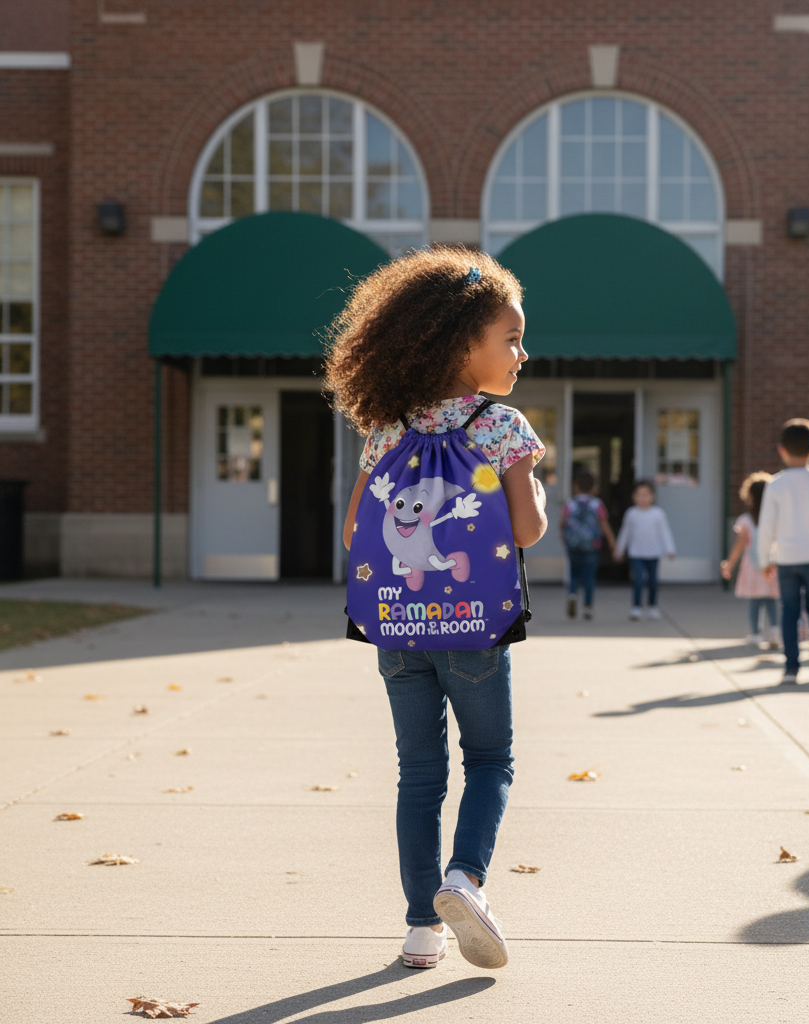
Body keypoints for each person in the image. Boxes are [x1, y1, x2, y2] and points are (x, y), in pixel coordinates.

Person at [328, 248, 547, 971]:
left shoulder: (387, 430)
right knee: (491, 759)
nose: (522, 352)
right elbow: (524, 531)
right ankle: (467, 879)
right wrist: (537, 494)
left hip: (398, 626)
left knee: (417, 772)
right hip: (476, 628)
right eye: (510, 338)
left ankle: (423, 928)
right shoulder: (502, 427)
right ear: (463, 345)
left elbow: (356, 528)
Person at [757, 419, 809, 685]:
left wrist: (764, 559)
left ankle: (791, 667)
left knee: (789, 612)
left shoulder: (775, 484)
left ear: (781, 450)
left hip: (787, 557)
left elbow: (766, 526)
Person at [720, 472, 780, 648]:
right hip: (771, 564)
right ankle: (775, 630)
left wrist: (729, 564)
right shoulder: (775, 519)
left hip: (753, 566)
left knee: (755, 601)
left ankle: (756, 633)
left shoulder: (746, 521)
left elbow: (738, 546)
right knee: (771, 600)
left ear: (751, 497)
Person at [614, 479, 677, 620]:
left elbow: (665, 532)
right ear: (634, 497)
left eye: (646, 494)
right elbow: (625, 533)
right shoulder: (631, 514)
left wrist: (670, 549)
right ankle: (636, 607)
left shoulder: (658, 513)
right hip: (636, 553)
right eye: (639, 495)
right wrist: (619, 549)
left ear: (652, 496)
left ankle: (652, 606)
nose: (643, 498)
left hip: (653, 553)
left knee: (653, 581)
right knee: (638, 580)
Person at [560, 469, 616, 620]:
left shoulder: (570, 503)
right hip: (592, 544)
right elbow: (604, 524)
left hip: (573, 543)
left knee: (574, 573)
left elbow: (562, 522)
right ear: (594, 487)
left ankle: (572, 594)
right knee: (589, 577)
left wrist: (563, 537)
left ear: (575, 487)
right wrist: (612, 544)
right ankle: (588, 608)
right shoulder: (597, 504)